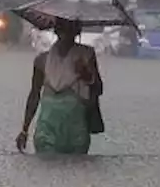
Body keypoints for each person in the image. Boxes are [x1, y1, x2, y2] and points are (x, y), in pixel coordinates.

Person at [15, 18, 104, 155]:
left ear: (77, 31)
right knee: (47, 165)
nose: (66, 32)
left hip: (76, 130)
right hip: (47, 129)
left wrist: (86, 75)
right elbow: (34, 95)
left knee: (76, 167)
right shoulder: (42, 60)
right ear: (56, 30)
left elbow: (98, 89)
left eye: (70, 27)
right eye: (63, 27)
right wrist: (24, 130)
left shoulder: (86, 56)